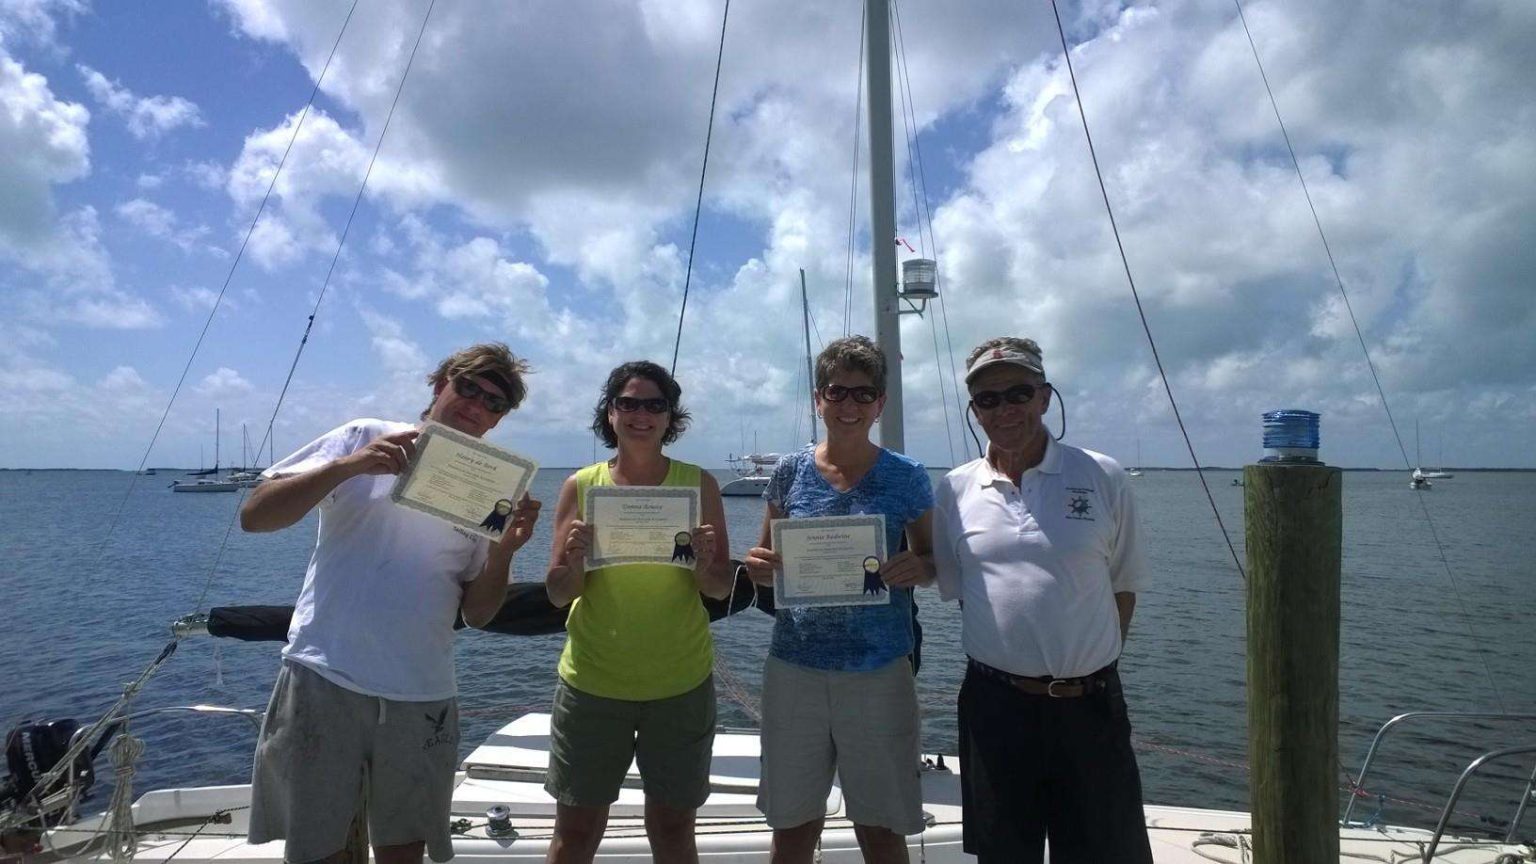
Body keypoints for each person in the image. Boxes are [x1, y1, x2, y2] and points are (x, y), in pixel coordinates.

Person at [239, 343, 541, 864]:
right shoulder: (366, 435)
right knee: (318, 851)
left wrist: (505, 550)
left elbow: (477, 613)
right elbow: (255, 516)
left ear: (498, 420)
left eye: (494, 402)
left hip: (422, 692)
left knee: (404, 852)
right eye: (468, 387)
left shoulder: (492, 491)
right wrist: (347, 467)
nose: (476, 404)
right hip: (325, 675)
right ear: (441, 384)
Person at [932, 337, 1153, 864]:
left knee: (1106, 854)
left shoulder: (1103, 475)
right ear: (974, 410)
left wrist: (1086, 667)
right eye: (988, 399)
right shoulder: (953, 491)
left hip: (1091, 707)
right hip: (995, 707)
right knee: (1004, 854)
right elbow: (963, 590)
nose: (1005, 409)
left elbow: (1123, 585)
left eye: (1019, 393)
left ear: (1045, 397)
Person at [742, 335, 935, 864]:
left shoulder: (907, 476)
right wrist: (759, 569)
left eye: (863, 393)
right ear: (818, 399)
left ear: (880, 403)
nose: (849, 404)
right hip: (795, 668)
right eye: (837, 391)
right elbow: (766, 560)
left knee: (882, 830)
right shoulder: (789, 471)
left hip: (880, 671)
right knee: (792, 828)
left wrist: (921, 567)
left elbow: (932, 559)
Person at [543, 360, 733, 864]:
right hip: (592, 683)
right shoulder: (580, 485)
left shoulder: (699, 484)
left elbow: (718, 589)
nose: (641, 414)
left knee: (673, 829)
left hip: (681, 684)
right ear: (610, 413)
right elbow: (558, 593)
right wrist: (575, 564)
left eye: (655, 404)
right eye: (628, 403)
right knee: (575, 832)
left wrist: (705, 565)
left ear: (671, 416)